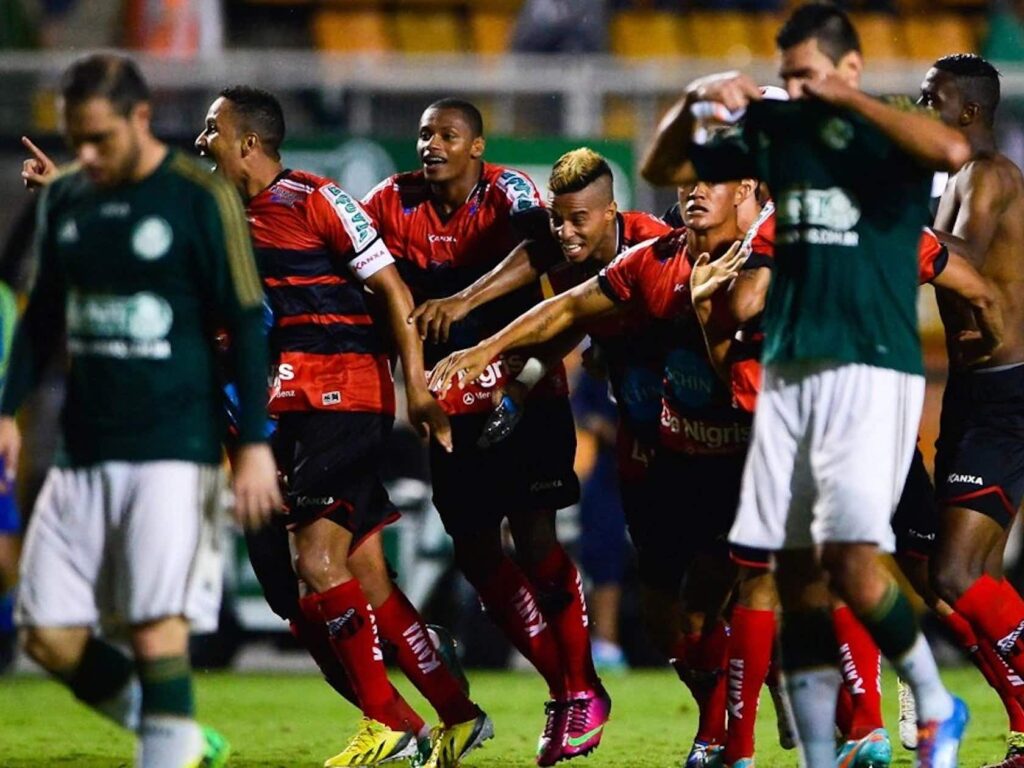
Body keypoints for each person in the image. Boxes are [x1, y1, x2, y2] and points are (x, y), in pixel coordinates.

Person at [638, 3, 974, 766]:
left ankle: (936, 700)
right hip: (791, 371)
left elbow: (952, 147)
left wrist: (842, 101)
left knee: (852, 558)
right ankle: (825, 752)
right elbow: (665, 167)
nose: (793, 87)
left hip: (869, 369)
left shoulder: (881, 134)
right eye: (786, 75)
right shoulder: (778, 139)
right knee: (788, 573)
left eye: (807, 74)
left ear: (849, 71)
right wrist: (698, 99)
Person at [427, 175, 775, 768]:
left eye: (577, 220)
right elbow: (563, 310)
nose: (565, 233)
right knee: (671, 616)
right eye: (557, 221)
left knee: (737, 588)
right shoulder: (642, 265)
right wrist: (491, 352)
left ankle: (737, 731)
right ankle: (738, 707)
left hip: (738, 452)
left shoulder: (731, 262)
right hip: (654, 451)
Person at [193, 85, 490, 768]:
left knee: (316, 563)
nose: (201, 143)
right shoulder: (227, 218)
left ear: (247, 143)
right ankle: (456, 713)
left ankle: (388, 722)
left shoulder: (315, 198)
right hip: (291, 409)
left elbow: (392, 289)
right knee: (361, 571)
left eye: (212, 130)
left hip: (342, 394)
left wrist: (415, 388)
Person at [0, 53, 280, 768]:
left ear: (140, 118)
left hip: (172, 453)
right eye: (74, 141)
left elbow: (247, 320)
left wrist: (251, 443)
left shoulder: (197, 197)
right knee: (46, 635)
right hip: (80, 453)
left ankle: (166, 747)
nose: (85, 156)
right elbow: (41, 322)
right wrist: (8, 411)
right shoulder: (66, 199)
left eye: (100, 139)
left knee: (158, 631)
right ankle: (176, 736)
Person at [361, 102, 607, 767]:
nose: (431, 145)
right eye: (423, 134)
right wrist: (411, 386)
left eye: (447, 135)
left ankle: (580, 686)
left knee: (534, 540)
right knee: (473, 549)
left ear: (478, 147)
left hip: (524, 389)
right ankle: (567, 685)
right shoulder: (392, 202)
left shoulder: (512, 193)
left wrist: (465, 302)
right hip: (450, 406)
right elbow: (372, 279)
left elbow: (541, 249)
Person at [918, 53, 1024, 768]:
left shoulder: (991, 176)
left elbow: (964, 255)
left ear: (969, 111)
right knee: (952, 583)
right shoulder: (954, 177)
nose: (921, 108)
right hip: (973, 390)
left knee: (955, 575)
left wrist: (883, 217)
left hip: (1007, 394)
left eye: (934, 98)